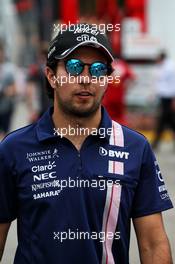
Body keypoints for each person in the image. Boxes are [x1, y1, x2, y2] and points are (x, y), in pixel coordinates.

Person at [0, 24, 173, 264]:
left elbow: (153, 244)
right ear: (51, 76)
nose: (85, 78)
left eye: (98, 69)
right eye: (73, 67)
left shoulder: (135, 148)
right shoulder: (14, 149)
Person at [152, 52, 175, 150]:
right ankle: (155, 143)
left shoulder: (170, 68)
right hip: (164, 97)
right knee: (168, 121)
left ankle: (155, 143)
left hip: (169, 98)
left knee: (164, 120)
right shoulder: (162, 67)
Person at [103, 56, 135, 125]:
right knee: (120, 118)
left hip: (109, 96)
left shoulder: (108, 65)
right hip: (120, 96)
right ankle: (121, 133)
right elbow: (133, 78)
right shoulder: (123, 65)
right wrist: (125, 87)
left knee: (107, 118)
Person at [0, 41, 16, 139]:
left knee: (6, 134)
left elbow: (14, 89)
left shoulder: (9, 69)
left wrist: (5, 91)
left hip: (6, 108)